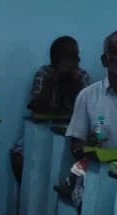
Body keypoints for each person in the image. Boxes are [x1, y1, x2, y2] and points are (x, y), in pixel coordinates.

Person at [11, 37, 89, 184]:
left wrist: (75, 82)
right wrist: (52, 81)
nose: (70, 62)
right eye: (65, 57)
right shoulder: (44, 73)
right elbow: (37, 108)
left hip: (72, 134)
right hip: (41, 131)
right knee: (18, 156)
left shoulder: (81, 76)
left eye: (73, 57)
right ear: (55, 59)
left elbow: (85, 109)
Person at [66, 31, 117, 155]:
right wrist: (88, 145)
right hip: (101, 172)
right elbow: (76, 147)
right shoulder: (88, 96)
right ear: (105, 60)